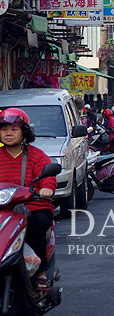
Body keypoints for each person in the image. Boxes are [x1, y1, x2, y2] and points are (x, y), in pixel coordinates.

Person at [0, 108, 57, 291]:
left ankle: (40, 272)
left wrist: (47, 188)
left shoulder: (36, 155)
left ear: (24, 132)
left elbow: (48, 175)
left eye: (14, 129)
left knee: (36, 224)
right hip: (4, 210)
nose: (8, 133)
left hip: (33, 206)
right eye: (4, 129)